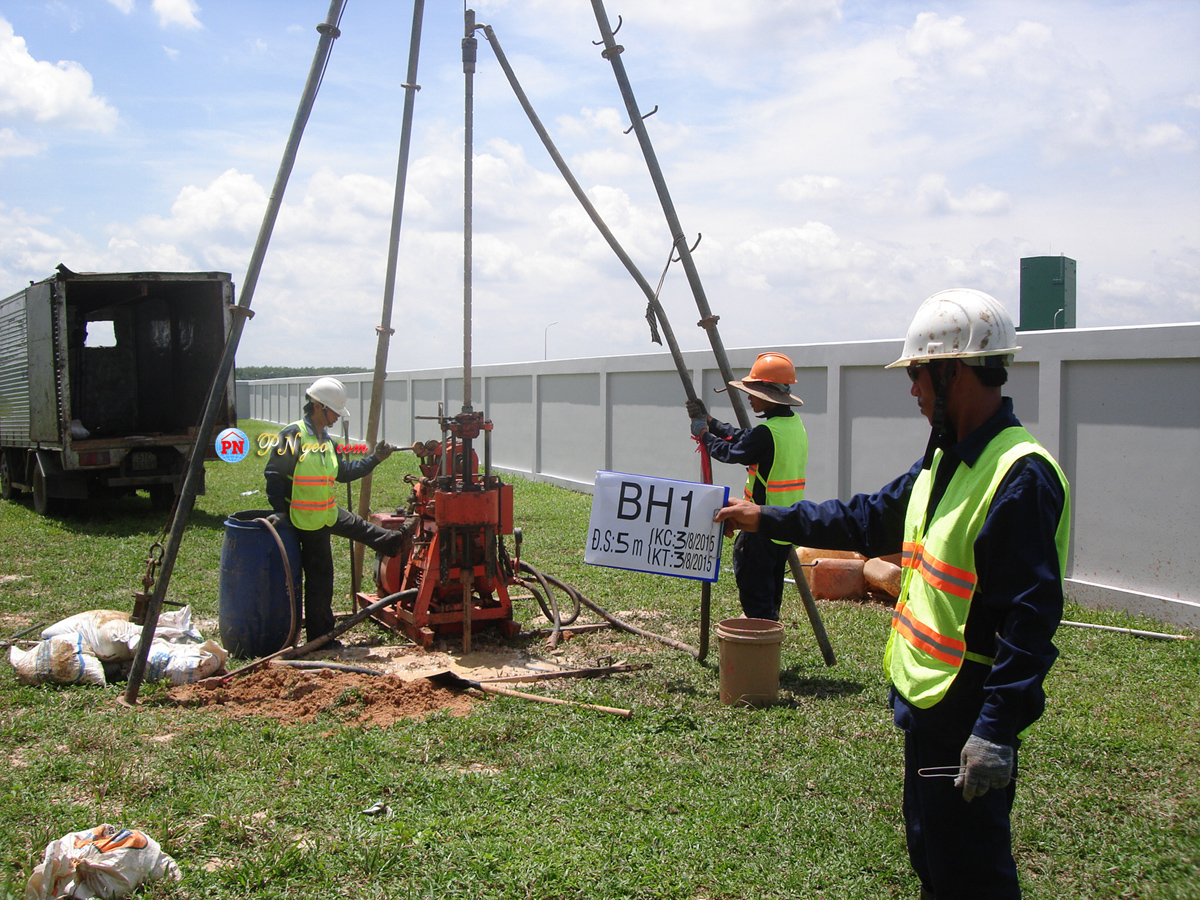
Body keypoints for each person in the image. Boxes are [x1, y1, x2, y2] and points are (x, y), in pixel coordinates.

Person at [714, 290, 1070, 900]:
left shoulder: (1018, 476)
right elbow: (867, 517)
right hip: (929, 702)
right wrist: (767, 520)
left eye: (917, 376)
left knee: (971, 874)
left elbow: (1029, 622)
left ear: (951, 372)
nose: (912, 391)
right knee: (934, 858)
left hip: (967, 709)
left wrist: (994, 730)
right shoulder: (946, 458)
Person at [264, 377, 404, 644]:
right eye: (334, 412)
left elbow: (341, 472)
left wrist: (375, 459)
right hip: (305, 519)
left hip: (326, 511)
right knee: (320, 580)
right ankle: (320, 638)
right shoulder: (294, 434)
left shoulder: (325, 439)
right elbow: (274, 474)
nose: (337, 417)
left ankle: (393, 542)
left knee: (360, 527)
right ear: (318, 407)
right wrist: (281, 512)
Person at [687, 351, 807, 621]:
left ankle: (757, 648)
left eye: (753, 391)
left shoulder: (768, 433)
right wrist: (711, 423)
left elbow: (732, 453)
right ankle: (766, 632)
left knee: (755, 591)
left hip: (760, 527)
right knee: (770, 591)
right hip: (785, 525)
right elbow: (743, 437)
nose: (749, 397)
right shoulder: (791, 425)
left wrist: (703, 434)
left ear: (768, 394)